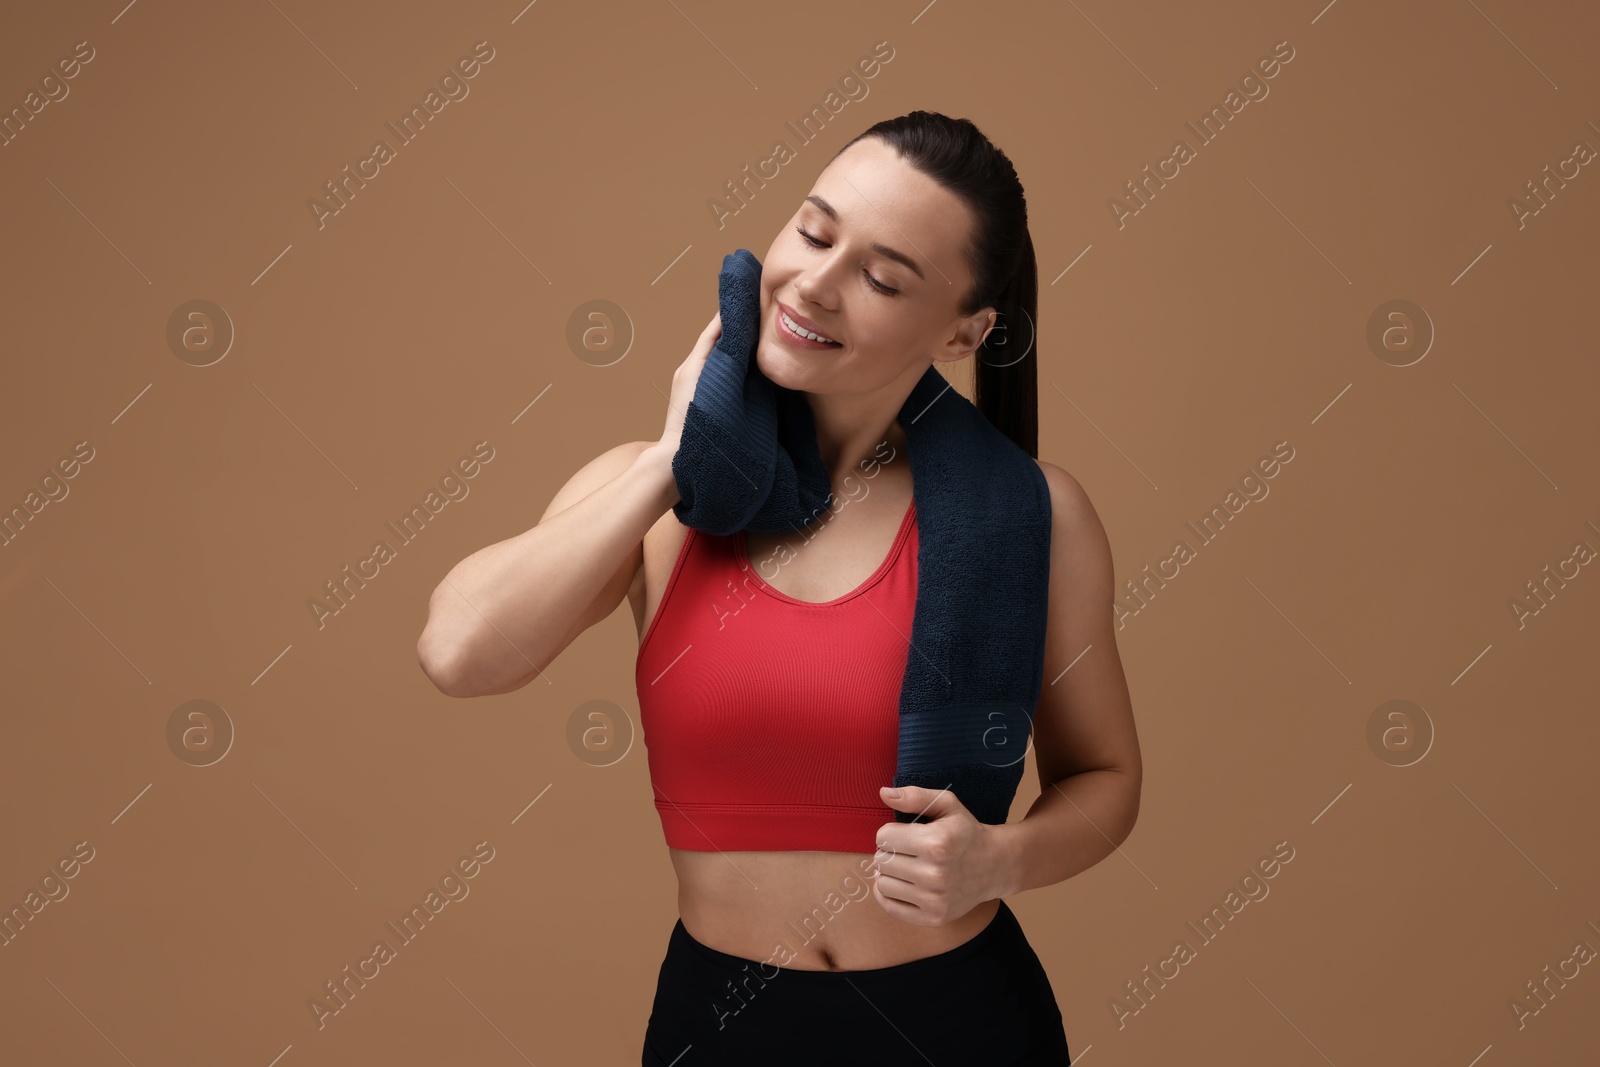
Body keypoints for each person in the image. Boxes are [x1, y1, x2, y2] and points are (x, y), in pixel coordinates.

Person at [416, 110, 1141, 1066]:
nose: (817, 285)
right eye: (812, 231)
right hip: (718, 1027)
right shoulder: (661, 500)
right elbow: (459, 654)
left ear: (968, 329)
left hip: (960, 1026)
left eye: (882, 279)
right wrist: (672, 457)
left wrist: (1001, 859)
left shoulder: (1035, 515)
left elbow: (1107, 779)